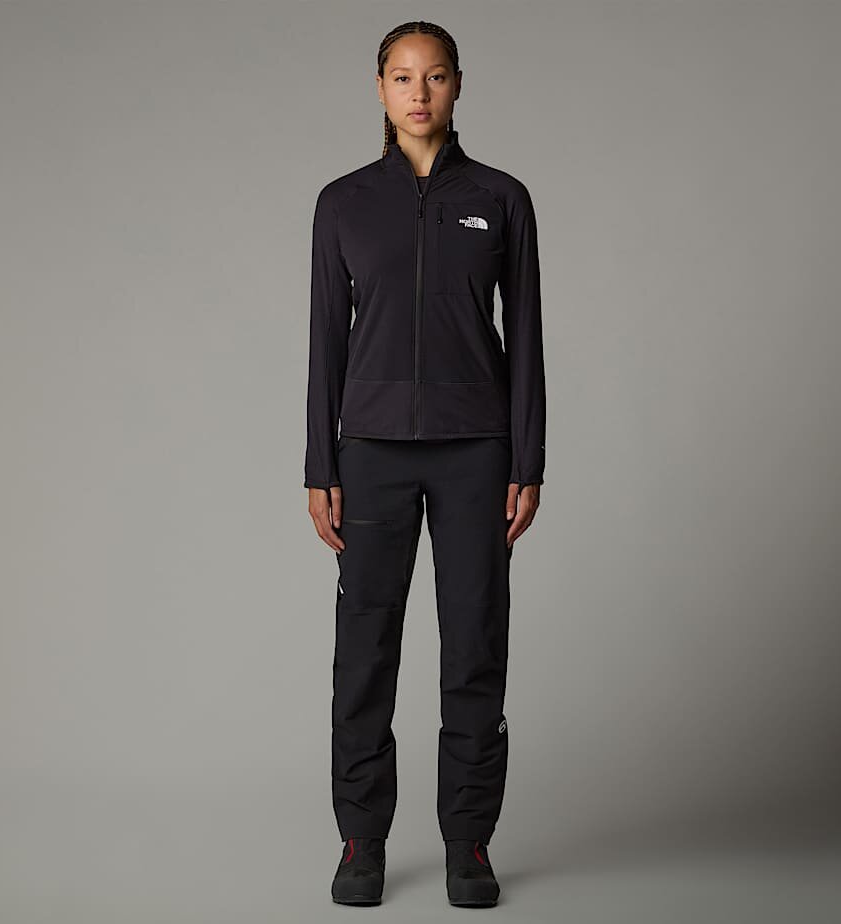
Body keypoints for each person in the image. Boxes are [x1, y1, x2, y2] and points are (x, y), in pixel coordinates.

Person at [303, 19, 546, 908]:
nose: (419, 92)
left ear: (456, 86)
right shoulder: (343, 203)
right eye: (402, 77)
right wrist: (319, 464)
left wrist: (529, 459)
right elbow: (326, 341)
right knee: (364, 652)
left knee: (474, 646)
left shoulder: (501, 198)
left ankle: (468, 844)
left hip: (477, 452)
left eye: (435, 76)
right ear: (379, 89)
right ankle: (361, 840)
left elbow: (527, 337)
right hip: (368, 454)